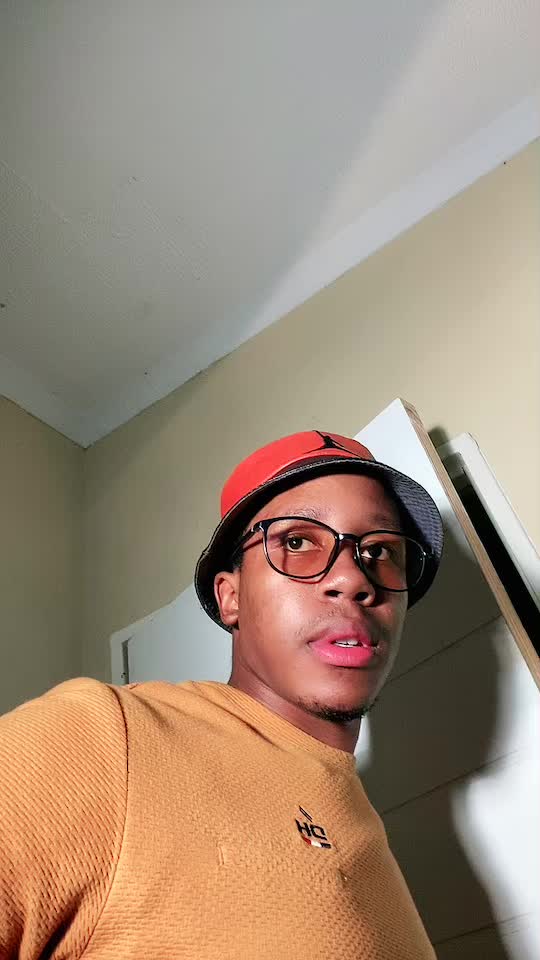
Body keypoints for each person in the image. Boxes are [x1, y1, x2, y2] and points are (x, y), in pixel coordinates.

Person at [0, 430, 443, 960]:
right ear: (230, 597)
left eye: (380, 550)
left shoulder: (380, 847)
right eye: (297, 542)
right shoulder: (105, 738)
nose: (353, 578)